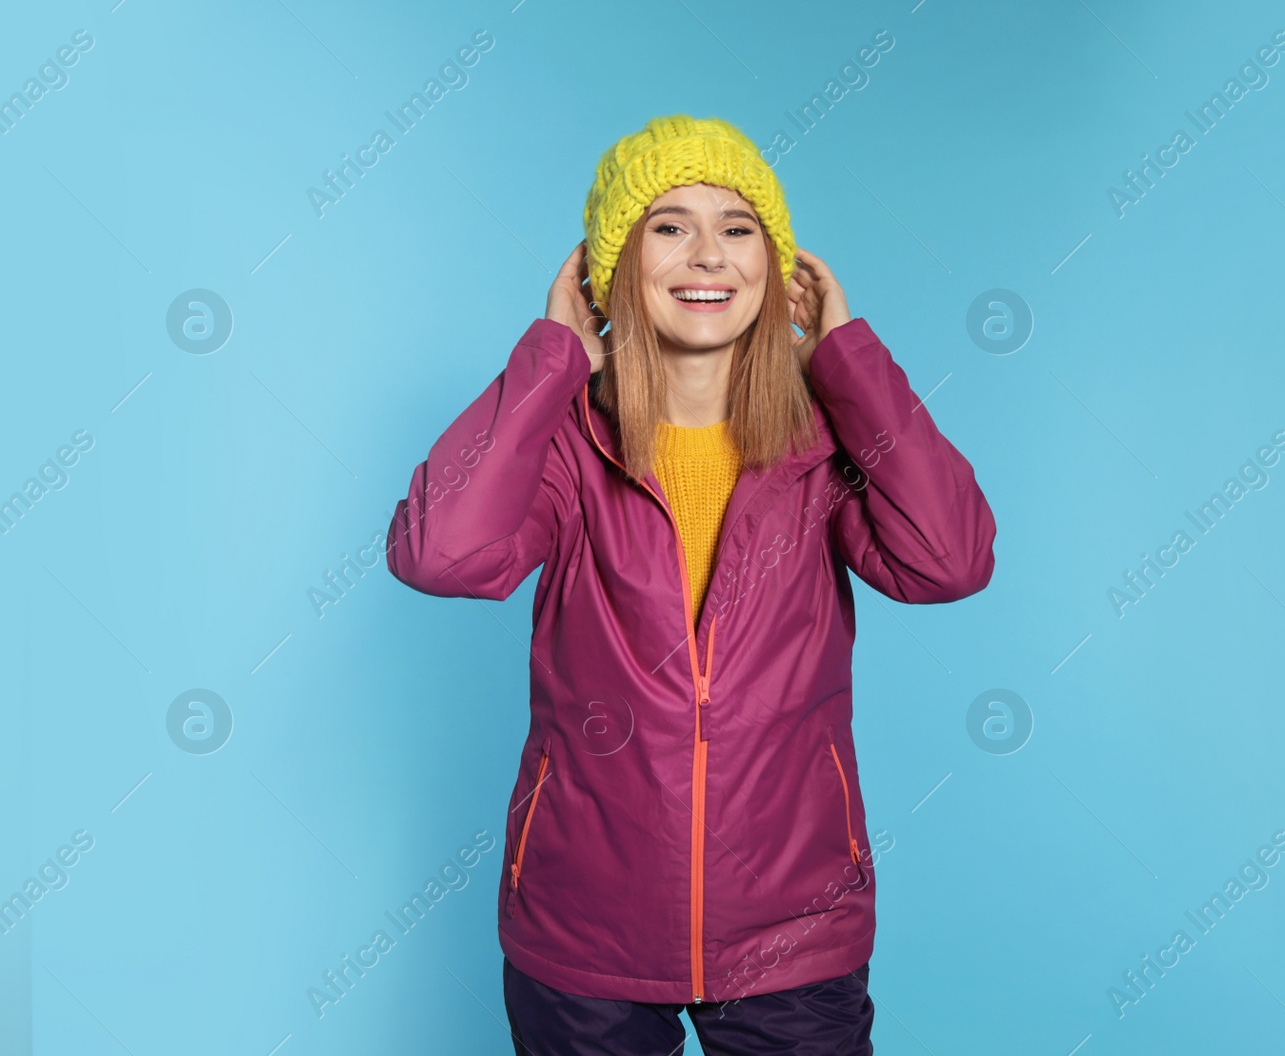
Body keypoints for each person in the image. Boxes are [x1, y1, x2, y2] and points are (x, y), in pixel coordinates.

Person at [386, 114, 997, 1055]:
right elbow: (440, 554)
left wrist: (850, 366)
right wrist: (550, 360)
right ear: (614, 264)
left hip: (793, 932)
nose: (707, 253)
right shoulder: (569, 450)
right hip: (583, 931)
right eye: (668, 225)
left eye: (739, 227)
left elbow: (949, 560)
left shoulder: (823, 448)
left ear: (777, 266)